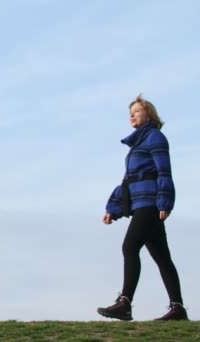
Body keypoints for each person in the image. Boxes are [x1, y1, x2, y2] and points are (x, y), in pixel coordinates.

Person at [97, 94, 188, 321]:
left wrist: (165, 201)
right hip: (140, 204)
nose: (132, 115)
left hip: (150, 204)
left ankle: (125, 303)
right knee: (162, 257)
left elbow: (164, 171)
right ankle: (178, 308)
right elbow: (129, 180)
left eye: (137, 110)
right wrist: (114, 208)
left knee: (129, 247)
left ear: (149, 114)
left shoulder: (155, 137)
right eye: (131, 111)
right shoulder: (138, 143)